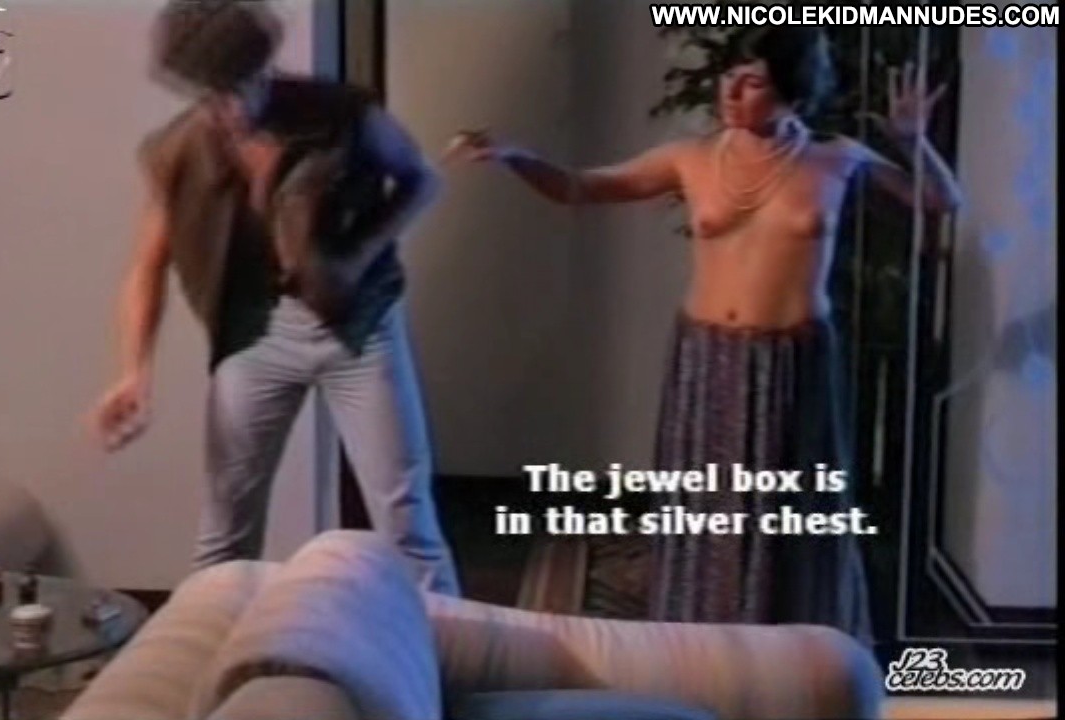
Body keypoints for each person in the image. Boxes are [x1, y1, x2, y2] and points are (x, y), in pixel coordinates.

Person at [447, 27, 962, 645]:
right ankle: (705, 641)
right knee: (712, 510)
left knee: (784, 512)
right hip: (709, 359)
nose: (732, 92)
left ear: (792, 92)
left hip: (793, 360)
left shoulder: (838, 158)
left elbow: (939, 201)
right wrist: (515, 156)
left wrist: (913, 142)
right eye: (730, 77)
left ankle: (787, 648)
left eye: (754, 82)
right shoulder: (691, 157)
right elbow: (580, 188)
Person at [91, 0, 460, 595]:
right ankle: (209, 649)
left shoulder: (341, 114)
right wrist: (134, 371)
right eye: (215, 95)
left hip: (359, 329)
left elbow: (423, 180)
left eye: (244, 86)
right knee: (224, 533)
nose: (233, 108)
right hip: (253, 339)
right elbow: (146, 268)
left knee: (406, 522)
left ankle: (447, 647)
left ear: (265, 66)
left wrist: (360, 254)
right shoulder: (176, 152)